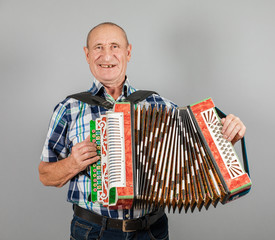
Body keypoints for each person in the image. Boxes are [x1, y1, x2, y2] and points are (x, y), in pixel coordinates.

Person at [39, 22, 246, 240]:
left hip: (151, 230)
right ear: (87, 54)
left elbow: (195, 159)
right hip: (93, 231)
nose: (106, 55)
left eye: (114, 46)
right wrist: (73, 163)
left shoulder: (159, 105)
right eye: (98, 47)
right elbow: (45, 175)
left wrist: (226, 139)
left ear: (128, 52)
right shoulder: (69, 108)